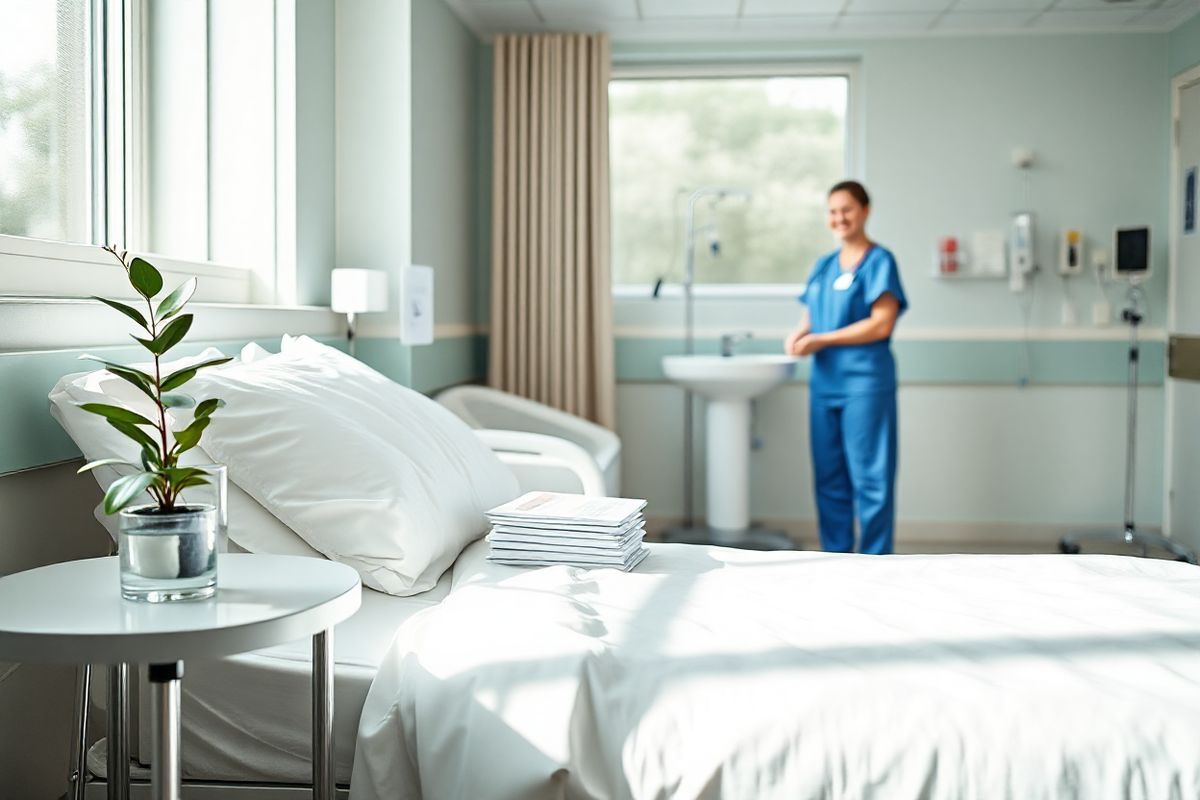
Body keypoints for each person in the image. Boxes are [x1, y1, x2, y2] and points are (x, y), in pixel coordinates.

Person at [784, 181, 907, 555]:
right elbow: (811, 315)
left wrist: (823, 340)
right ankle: (835, 558)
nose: (839, 218)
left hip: (865, 383)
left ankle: (874, 561)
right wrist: (799, 335)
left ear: (865, 211)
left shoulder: (879, 261)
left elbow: (881, 323)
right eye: (833, 211)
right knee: (829, 478)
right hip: (825, 384)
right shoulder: (823, 266)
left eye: (847, 209)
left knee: (871, 479)